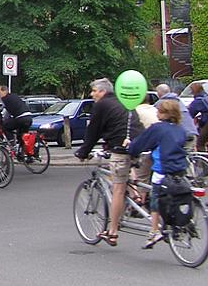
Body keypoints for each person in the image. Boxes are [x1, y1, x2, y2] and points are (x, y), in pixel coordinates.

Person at [74, 78, 145, 247]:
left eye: (94, 91)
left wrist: (83, 152)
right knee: (127, 170)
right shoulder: (123, 100)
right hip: (138, 143)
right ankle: (136, 196)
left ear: (102, 92)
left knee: (118, 189)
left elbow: (93, 132)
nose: (92, 94)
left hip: (120, 149)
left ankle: (112, 231)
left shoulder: (102, 105)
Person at [126, 98, 188, 249]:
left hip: (163, 169)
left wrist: (130, 148)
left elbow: (141, 144)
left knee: (155, 199)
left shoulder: (157, 128)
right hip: (180, 169)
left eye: (159, 111)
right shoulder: (180, 129)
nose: (157, 113)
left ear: (165, 114)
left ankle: (154, 231)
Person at [0, 85, 33, 156]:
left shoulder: (5, 99)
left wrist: (1, 120)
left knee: (5, 127)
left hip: (21, 118)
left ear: (4, 91)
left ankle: (12, 144)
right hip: (29, 117)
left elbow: (4, 112)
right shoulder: (15, 96)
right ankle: (24, 154)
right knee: (22, 136)